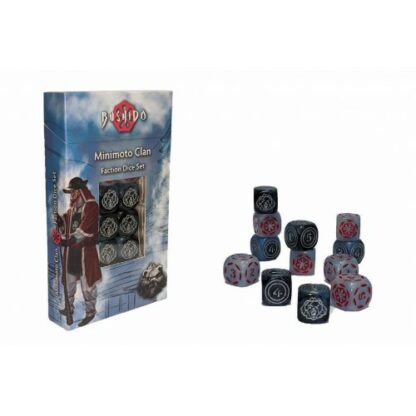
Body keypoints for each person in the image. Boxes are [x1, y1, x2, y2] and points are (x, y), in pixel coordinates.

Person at [57, 177, 102, 327]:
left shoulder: (91, 207)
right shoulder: (72, 211)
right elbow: (65, 225)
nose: (71, 195)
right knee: (69, 281)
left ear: (80, 191)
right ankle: (68, 308)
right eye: (70, 193)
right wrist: (60, 222)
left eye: (73, 192)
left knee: (87, 285)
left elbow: (85, 228)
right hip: (72, 253)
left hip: (86, 253)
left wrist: (69, 240)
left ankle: (90, 312)